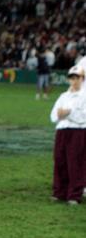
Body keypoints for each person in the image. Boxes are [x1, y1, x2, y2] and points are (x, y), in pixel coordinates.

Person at [50, 66, 86, 205]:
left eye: (77, 77)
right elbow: (54, 114)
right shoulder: (63, 96)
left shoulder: (84, 96)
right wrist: (62, 114)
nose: (74, 80)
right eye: (72, 77)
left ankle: (74, 194)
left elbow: (83, 116)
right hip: (62, 130)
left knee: (75, 162)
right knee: (60, 160)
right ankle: (59, 192)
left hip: (78, 131)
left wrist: (68, 113)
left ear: (82, 79)